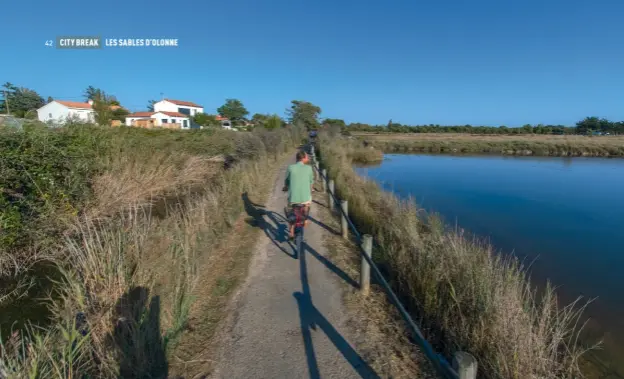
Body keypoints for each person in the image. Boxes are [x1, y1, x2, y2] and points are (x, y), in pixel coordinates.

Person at [283, 150, 314, 239]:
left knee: (291, 212)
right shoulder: (309, 168)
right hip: (305, 197)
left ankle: (291, 232)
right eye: (307, 157)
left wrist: (286, 187)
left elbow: (287, 181)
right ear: (303, 158)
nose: (308, 158)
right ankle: (306, 219)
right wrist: (311, 189)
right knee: (307, 204)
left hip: (293, 198)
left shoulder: (290, 168)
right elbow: (311, 182)